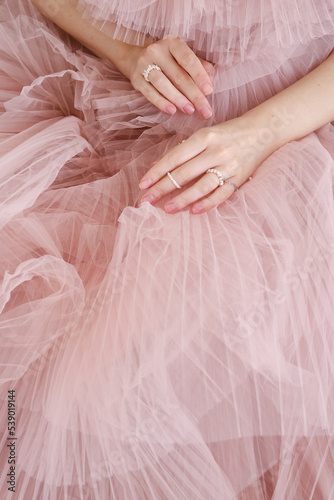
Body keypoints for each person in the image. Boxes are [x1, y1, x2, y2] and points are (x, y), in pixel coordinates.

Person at [0, 0, 333, 498]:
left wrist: (258, 135)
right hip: (113, 104)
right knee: (42, 374)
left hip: (291, 127)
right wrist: (127, 51)